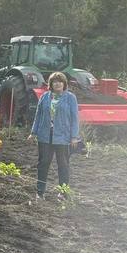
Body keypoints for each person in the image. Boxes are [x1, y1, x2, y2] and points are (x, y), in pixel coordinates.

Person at [29, 71, 79, 199]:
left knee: (63, 164)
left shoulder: (70, 98)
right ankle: (40, 192)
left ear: (64, 84)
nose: (57, 84)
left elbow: (74, 118)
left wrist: (74, 136)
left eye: (60, 81)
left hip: (63, 136)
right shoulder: (45, 97)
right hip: (45, 135)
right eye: (55, 81)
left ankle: (63, 192)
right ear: (50, 84)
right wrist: (33, 132)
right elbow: (38, 115)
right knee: (43, 163)